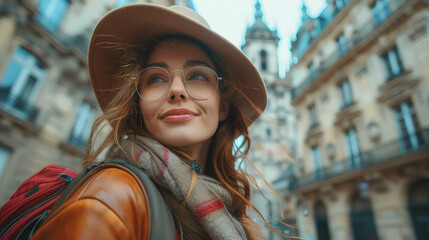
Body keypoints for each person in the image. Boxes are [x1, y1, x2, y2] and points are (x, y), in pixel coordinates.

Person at [32, 3, 282, 240]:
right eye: (156, 79)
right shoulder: (110, 197)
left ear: (223, 106)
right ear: (139, 106)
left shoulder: (232, 213)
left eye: (196, 75)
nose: (176, 90)